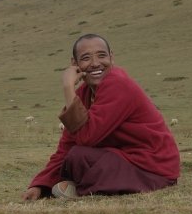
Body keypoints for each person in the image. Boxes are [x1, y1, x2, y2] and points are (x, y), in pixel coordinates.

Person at [22, 34, 180, 200]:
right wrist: (39, 185)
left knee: (79, 156)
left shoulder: (119, 84)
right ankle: (81, 187)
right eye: (86, 58)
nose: (96, 63)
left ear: (111, 58)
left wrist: (68, 87)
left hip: (152, 169)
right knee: (75, 157)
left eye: (102, 55)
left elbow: (86, 137)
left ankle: (80, 188)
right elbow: (66, 147)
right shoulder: (84, 94)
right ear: (75, 64)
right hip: (124, 159)